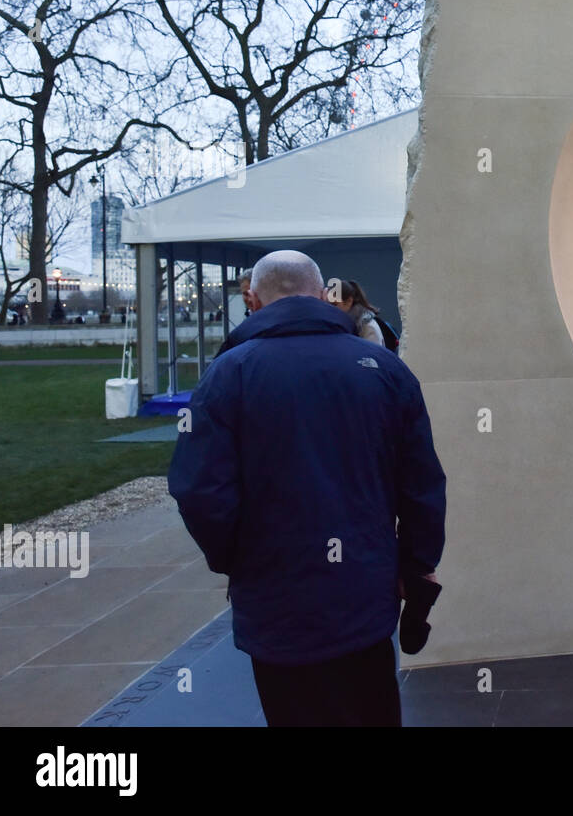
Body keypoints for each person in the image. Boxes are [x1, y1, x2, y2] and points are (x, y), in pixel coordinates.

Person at [168, 250, 446, 727]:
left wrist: (237, 560)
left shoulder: (227, 377)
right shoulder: (382, 369)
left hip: (275, 600)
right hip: (364, 591)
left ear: (252, 300)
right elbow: (421, 484)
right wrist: (416, 565)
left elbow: (199, 491)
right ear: (322, 296)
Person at [330, 279, 386, 346]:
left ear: (349, 301)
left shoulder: (369, 328)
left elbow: (374, 355)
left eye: (334, 304)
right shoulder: (340, 324)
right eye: (328, 304)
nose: (330, 308)